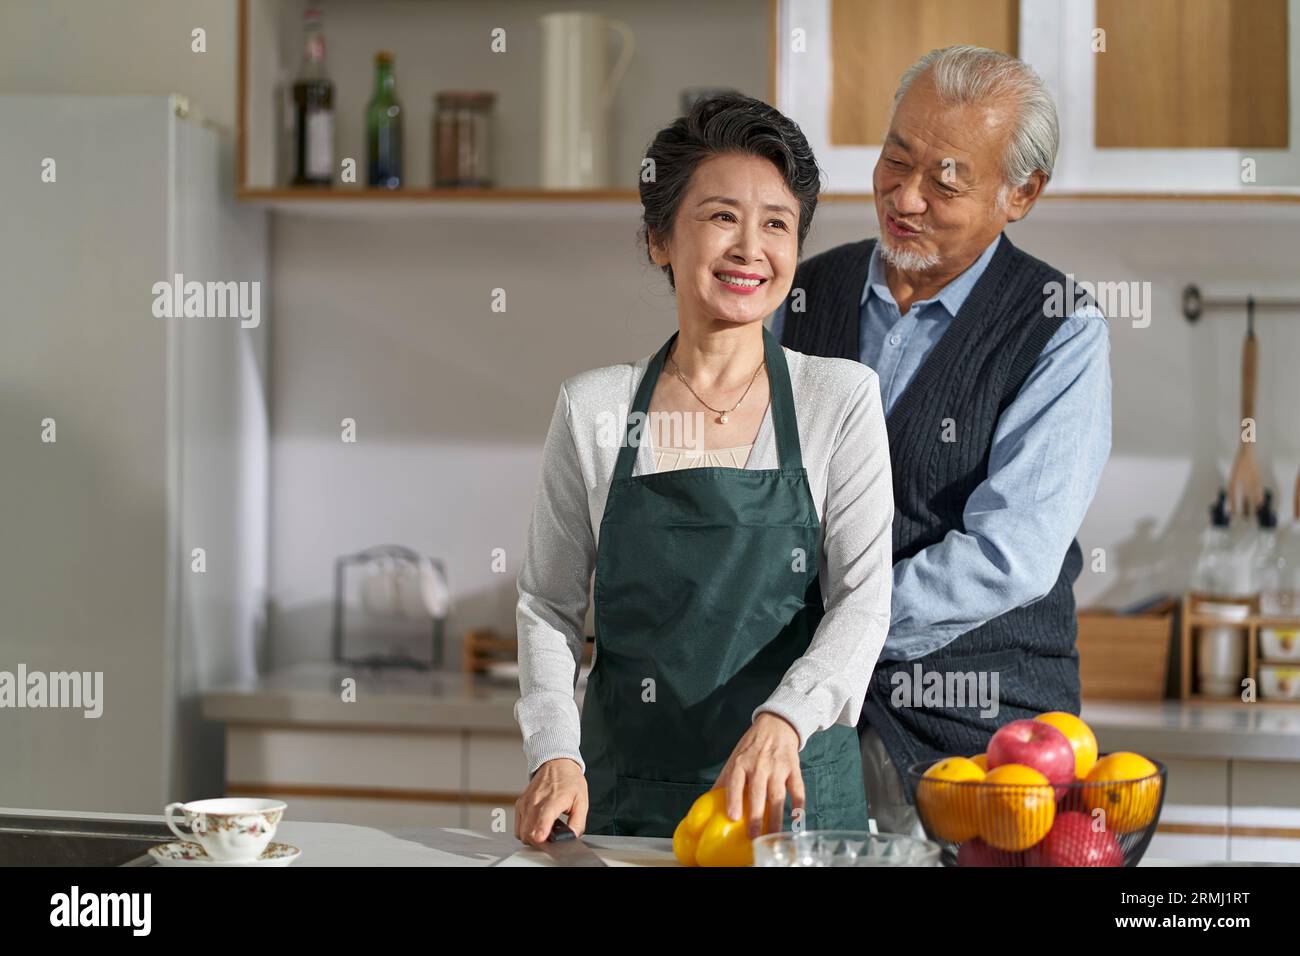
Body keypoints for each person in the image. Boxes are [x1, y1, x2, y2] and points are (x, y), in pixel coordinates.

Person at [512, 93, 894, 843]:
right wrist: (554, 751)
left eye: (777, 224)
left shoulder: (838, 399)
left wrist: (785, 720)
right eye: (722, 216)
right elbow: (547, 607)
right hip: (628, 809)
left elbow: (864, 600)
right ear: (659, 239)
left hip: (797, 811)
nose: (752, 248)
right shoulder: (594, 407)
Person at [771, 46, 1112, 834]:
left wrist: (837, 634)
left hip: (985, 746)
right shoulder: (800, 293)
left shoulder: (1059, 325)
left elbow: (1009, 556)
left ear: (1020, 193)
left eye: (946, 180)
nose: (905, 195)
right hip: (803, 723)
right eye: (895, 157)